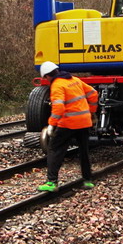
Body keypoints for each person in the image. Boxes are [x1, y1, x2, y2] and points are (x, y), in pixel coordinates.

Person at [37, 61, 99, 192]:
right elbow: (93, 93)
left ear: (47, 76)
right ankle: (88, 181)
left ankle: (52, 182)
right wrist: (92, 111)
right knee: (84, 151)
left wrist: (51, 124)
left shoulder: (57, 85)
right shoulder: (75, 80)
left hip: (68, 123)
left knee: (54, 149)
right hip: (84, 122)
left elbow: (58, 107)